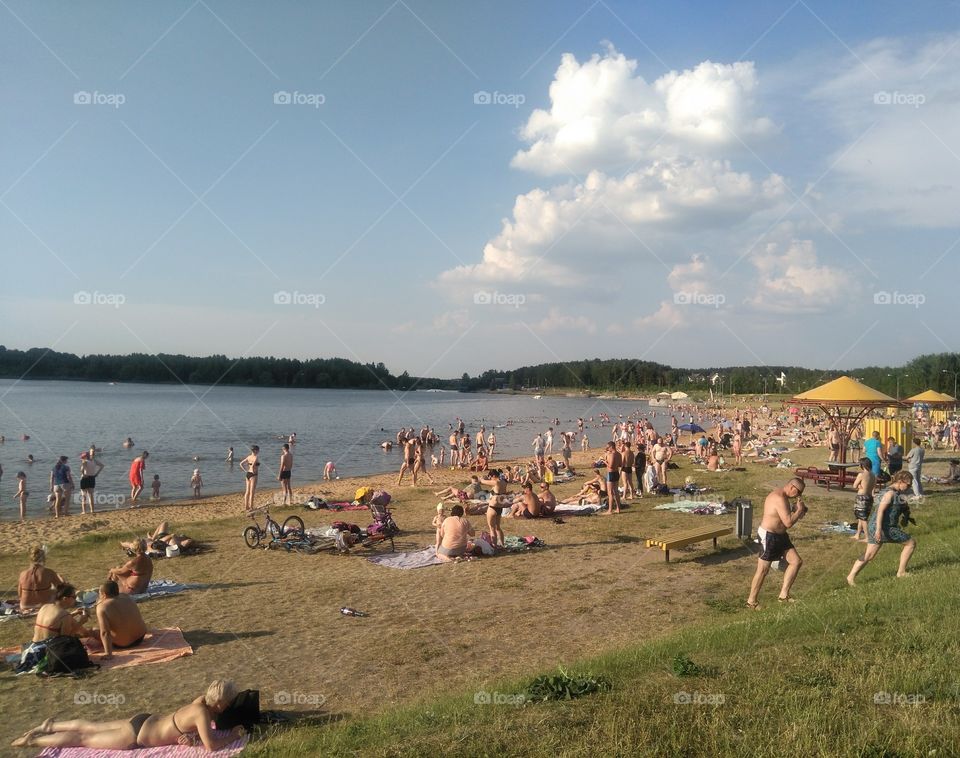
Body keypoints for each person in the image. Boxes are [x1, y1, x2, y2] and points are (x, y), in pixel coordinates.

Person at [11, 679, 245, 751]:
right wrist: (233, 735)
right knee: (82, 740)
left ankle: (51, 725)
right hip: (138, 735)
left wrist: (190, 739)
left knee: (92, 726)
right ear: (222, 703)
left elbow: (188, 731)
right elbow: (211, 746)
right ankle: (33, 741)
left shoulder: (199, 703)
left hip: (144, 720)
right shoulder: (203, 715)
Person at [746, 477, 808, 609]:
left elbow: (786, 518)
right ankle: (751, 602)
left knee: (796, 561)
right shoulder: (779, 498)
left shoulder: (785, 498)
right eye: (798, 492)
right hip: (769, 536)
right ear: (792, 487)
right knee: (763, 570)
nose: (798, 496)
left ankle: (783, 595)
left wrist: (798, 511)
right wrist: (798, 511)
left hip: (781, 536)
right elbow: (788, 522)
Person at [847, 470, 917, 585]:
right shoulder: (889, 493)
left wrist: (906, 517)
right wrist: (878, 530)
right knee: (911, 543)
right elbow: (880, 511)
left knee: (869, 555)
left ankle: (850, 577)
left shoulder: (897, 493)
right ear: (900, 481)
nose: (909, 487)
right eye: (908, 484)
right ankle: (901, 572)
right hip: (884, 528)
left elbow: (900, 507)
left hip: (880, 527)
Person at [96, 581, 148, 658]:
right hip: (140, 636)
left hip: (123, 644)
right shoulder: (126, 596)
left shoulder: (102, 607)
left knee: (93, 631)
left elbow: (105, 632)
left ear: (104, 594)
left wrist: (108, 654)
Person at [18, 545, 65, 611]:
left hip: (25, 606)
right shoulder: (49, 572)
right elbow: (62, 590)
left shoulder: (22, 574)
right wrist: (62, 579)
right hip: (44, 606)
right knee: (55, 592)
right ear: (44, 559)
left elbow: (20, 594)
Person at [851, 457, 876, 542]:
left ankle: (867, 537)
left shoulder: (861, 475)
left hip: (862, 498)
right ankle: (857, 534)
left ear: (862, 465)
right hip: (869, 497)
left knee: (863, 519)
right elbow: (872, 487)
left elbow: (854, 486)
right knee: (861, 517)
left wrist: (859, 486)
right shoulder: (873, 475)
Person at [479, 470, 506, 548]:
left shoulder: (496, 482)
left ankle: (494, 546)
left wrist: (481, 478)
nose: (490, 479)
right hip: (499, 507)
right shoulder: (503, 482)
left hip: (493, 507)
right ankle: (502, 544)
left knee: (492, 528)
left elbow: (483, 481)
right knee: (498, 527)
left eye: (490, 477)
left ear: (493, 476)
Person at [603, 442, 622, 515]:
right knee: (616, 491)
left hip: (611, 473)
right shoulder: (619, 454)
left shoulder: (612, 455)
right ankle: (618, 508)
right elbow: (620, 464)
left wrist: (605, 462)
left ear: (611, 447)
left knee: (610, 492)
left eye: (608, 447)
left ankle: (610, 510)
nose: (608, 449)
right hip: (616, 472)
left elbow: (610, 466)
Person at [239, 446, 260, 511]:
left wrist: (245, 470)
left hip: (248, 474)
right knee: (252, 492)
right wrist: (253, 470)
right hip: (253, 475)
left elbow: (241, 464)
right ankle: (251, 507)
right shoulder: (256, 457)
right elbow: (253, 465)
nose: (259, 451)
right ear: (255, 450)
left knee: (247, 491)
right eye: (258, 450)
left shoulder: (249, 457)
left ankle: (246, 507)